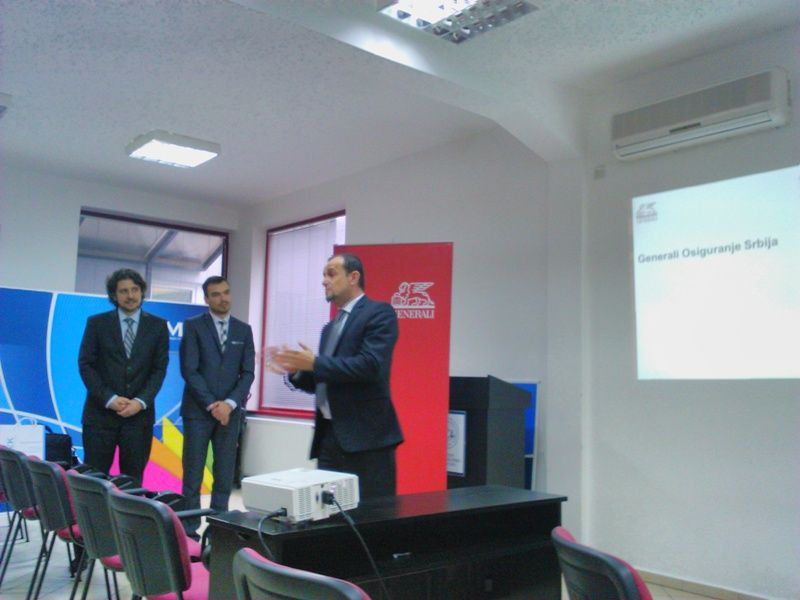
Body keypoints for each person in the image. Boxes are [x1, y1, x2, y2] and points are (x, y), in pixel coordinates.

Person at [273, 253, 403, 499]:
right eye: (323, 275)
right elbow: (326, 379)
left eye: (331, 274)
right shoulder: (329, 328)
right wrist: (297, 371)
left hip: (367, 439)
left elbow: (371, 365)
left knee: (371, 513)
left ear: (353, 277)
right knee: (329, 513)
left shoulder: (379, 313)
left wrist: (315, 362)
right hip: (329, 437)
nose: (324, 281)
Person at [179, 276, 255, 539]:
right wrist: (213, 404)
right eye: (216, 294)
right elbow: (189, 370)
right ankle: (189, 532)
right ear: (206, 299)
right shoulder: (193, 326)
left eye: (226, 292)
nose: (223, 298)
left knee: (224, 474)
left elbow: (248, 373)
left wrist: (230, 404)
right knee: (193, 474)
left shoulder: (243, 330)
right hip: (198, 412)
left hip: (230, 414)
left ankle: (219, 530)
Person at [78, 268, 169, 486]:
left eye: (135, 290)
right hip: (100, 417)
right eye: (124, 291)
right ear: (114, 295)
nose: (130, 295)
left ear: (142, 291)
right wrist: (109, 398)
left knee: (132, 484)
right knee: (93, 483)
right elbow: (86, 365)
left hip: (139, 419)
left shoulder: (158, 326)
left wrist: (140, 402)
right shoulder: (97, 323)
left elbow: (159, 369)